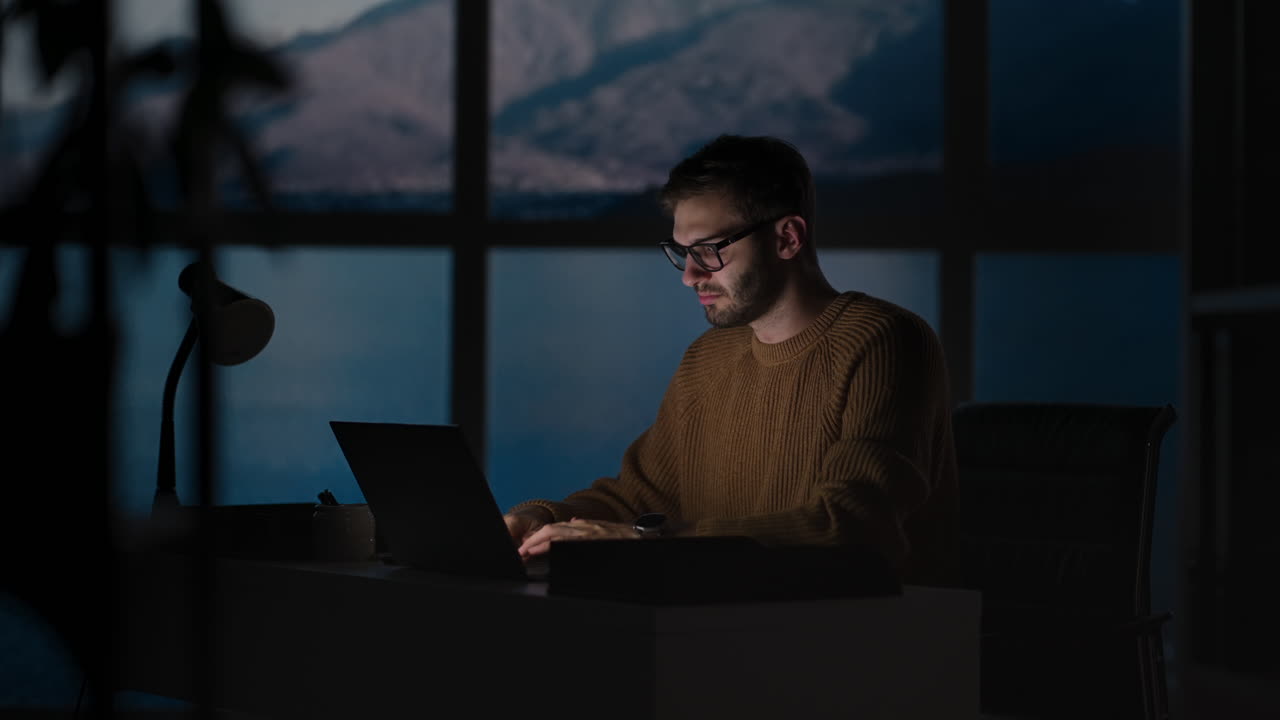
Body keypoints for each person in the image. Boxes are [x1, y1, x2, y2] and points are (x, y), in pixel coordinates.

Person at [503, 134, 958, 585]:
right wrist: (540, 520)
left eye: (709, 250)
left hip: (866, 634)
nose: (689, 276)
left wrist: (646, 543)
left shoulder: (884, 340)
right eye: (682, 252)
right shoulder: (709, 357)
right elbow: (639, 499)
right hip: (728, 623)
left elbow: (852, 526)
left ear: (787, 238)